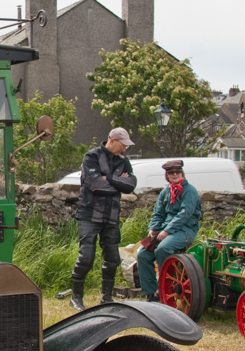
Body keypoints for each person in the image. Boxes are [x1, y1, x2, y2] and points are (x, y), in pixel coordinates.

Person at [71, 127, 137, 311]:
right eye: (123, 145)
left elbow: (130, 184)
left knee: (112, 258)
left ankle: (106, 297)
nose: (124, 150)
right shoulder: (91, 156)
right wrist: (117, 181)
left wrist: (108, 177)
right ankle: (76, 297)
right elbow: (94, 184)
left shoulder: (124, 161)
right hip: (89, 215)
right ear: (112, 140)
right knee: (87, 257)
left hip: (111, 216)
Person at [137, 160, 201, 302]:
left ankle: (164, 289)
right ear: (167, 175)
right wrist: (153, 229)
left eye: (177, 172)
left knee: (163, 249)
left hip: (185, 231)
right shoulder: (166, 191)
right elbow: (158, 213)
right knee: (142, 254)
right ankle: (150, 294)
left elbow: (184, 214)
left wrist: (166, 231)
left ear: (182, 173)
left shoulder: (189, 191)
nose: (175, 175)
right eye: (171, 173)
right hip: (164, 231)